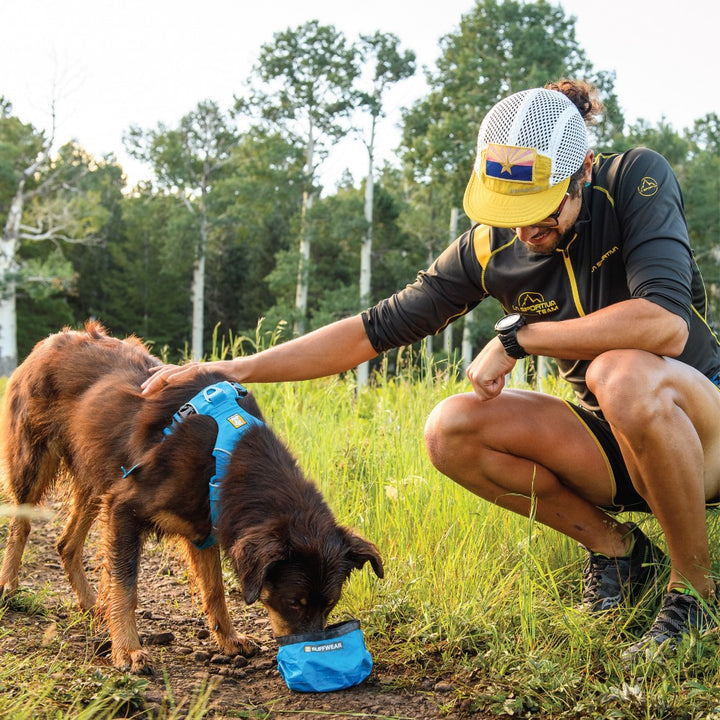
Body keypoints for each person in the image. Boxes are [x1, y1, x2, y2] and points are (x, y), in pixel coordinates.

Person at [143, 78, 720, 662]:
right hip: (615, 442)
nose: (525, 232)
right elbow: (373, 329)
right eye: (510, 214)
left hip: (704, 435)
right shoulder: (492, 248)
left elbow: (664, 324)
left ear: (585, 170)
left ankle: (693, 592)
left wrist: (521, 337)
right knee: (452, 428)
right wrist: (233, 367)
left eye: (541, 212)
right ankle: (622, 553)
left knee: (620, 373)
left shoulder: (635, 181)